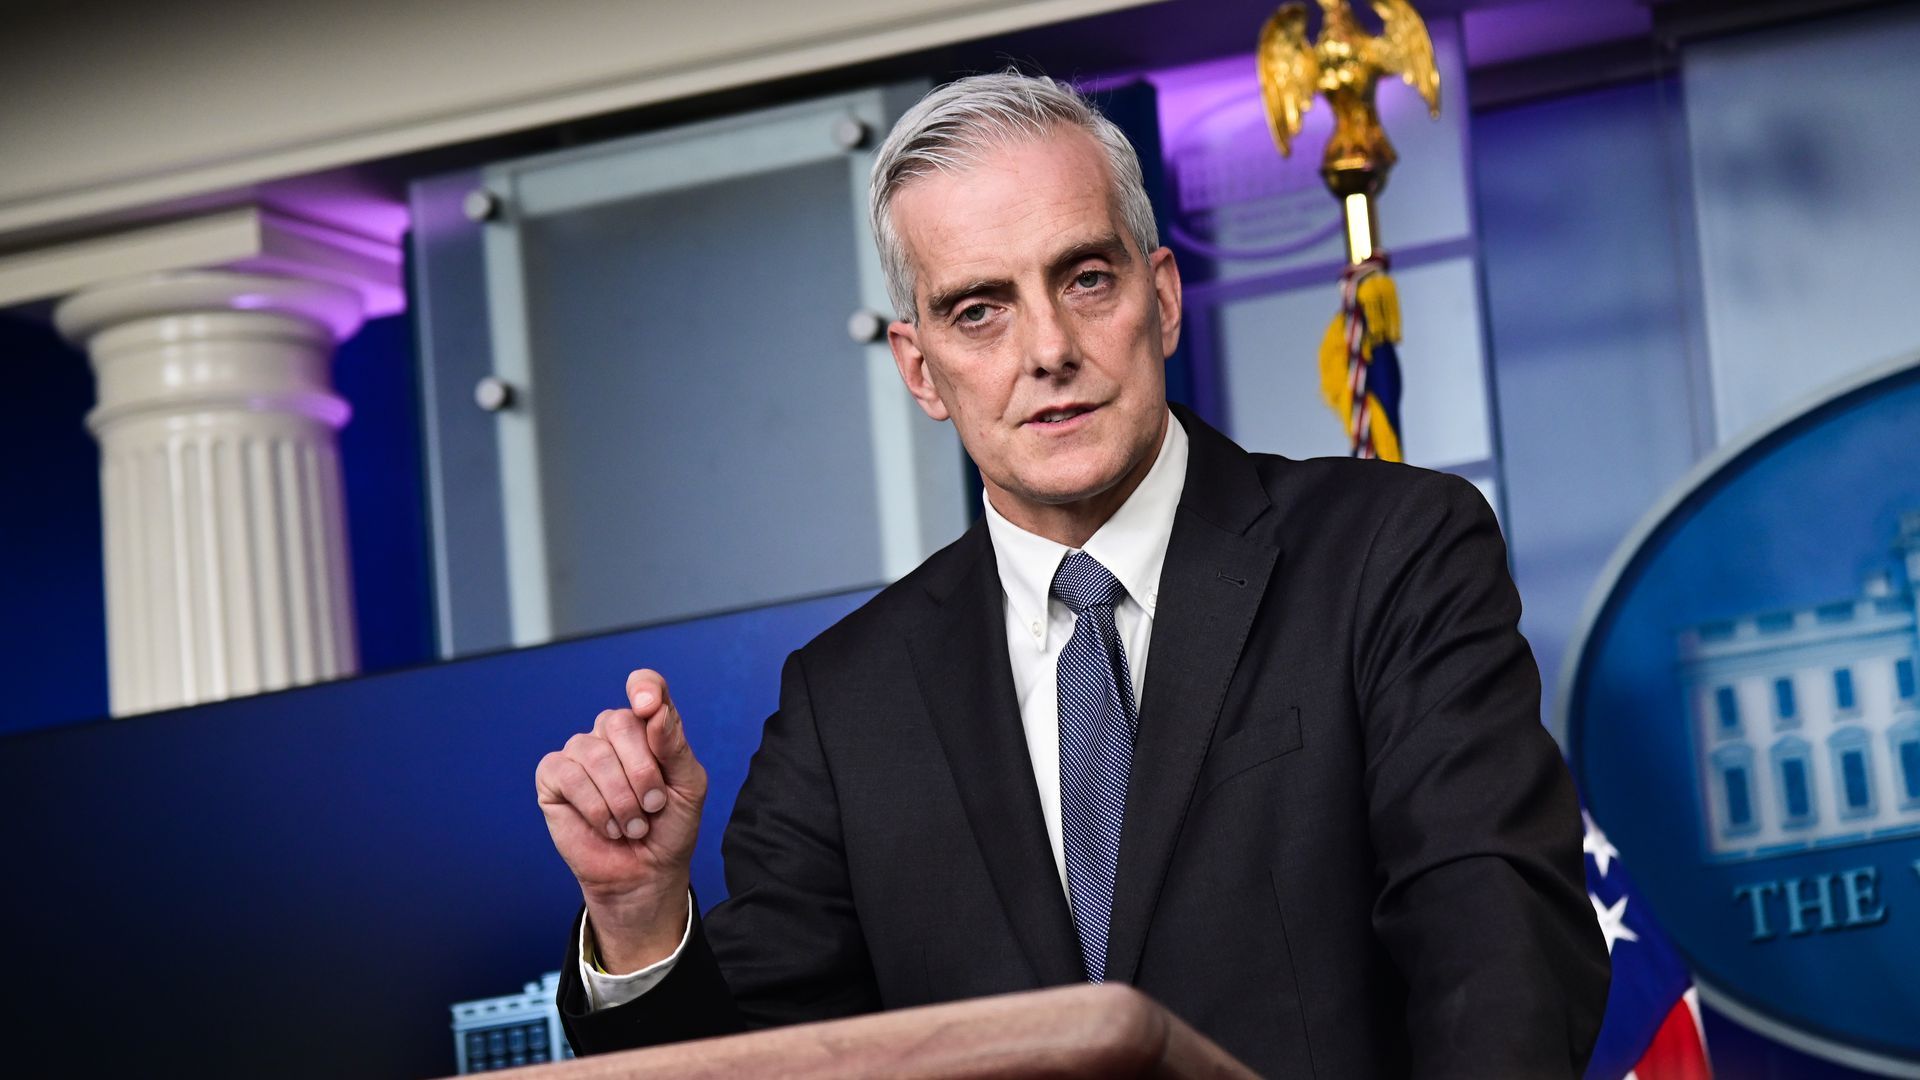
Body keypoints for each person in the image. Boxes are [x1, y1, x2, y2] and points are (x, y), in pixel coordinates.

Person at [533, 71, 1609, 1076]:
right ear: (922, 370)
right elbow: (765, 1065)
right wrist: (636, 921)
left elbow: (1499, 942)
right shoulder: (843, 709)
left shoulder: (1389, 553)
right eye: (979, 310)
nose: (1047, 348)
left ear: (1163, 298)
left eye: (1084, 278)